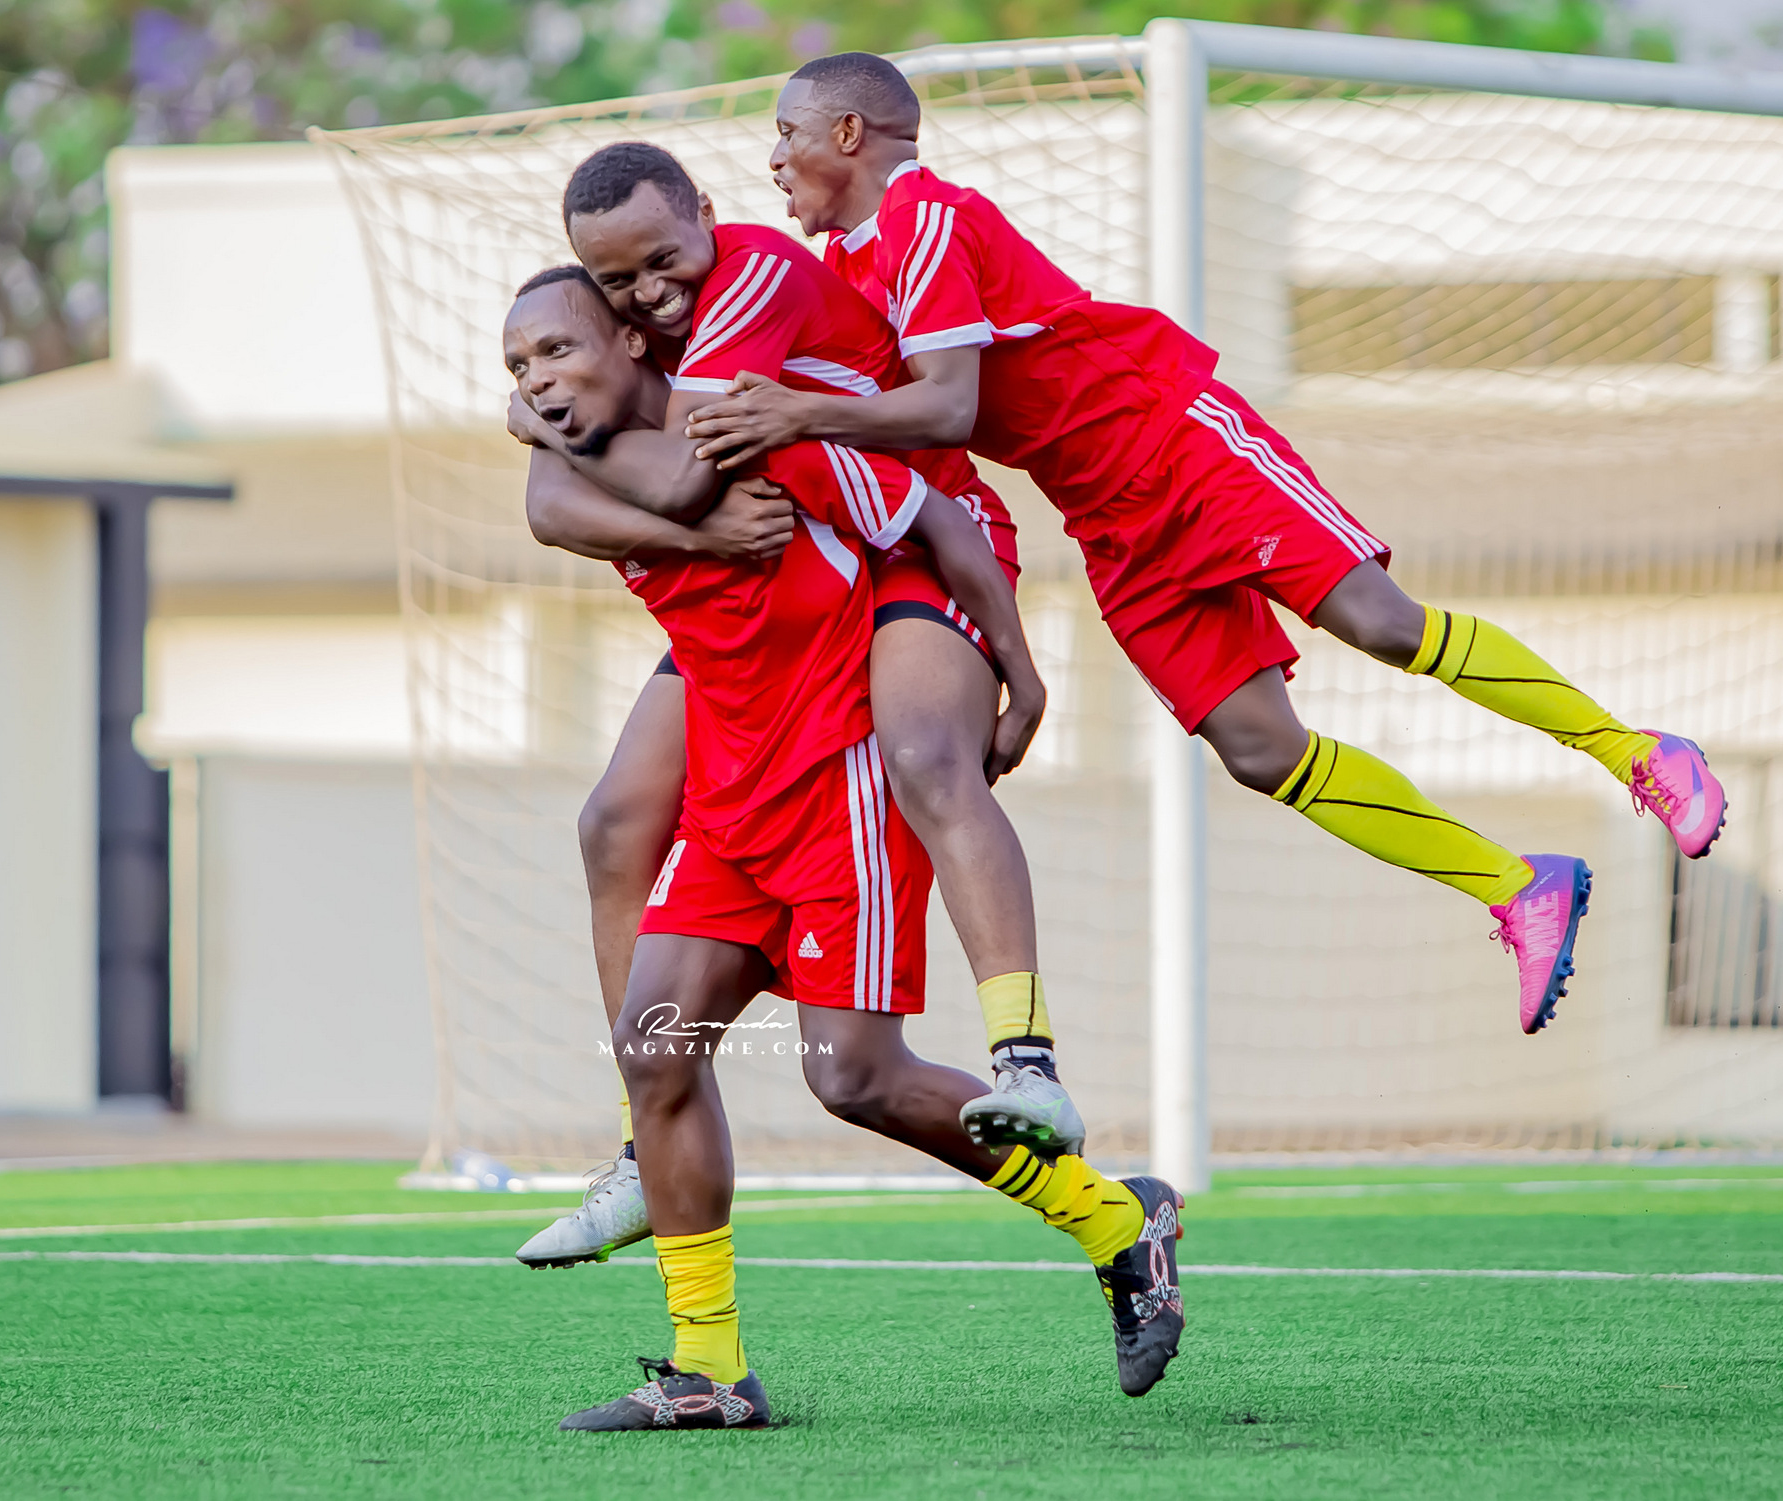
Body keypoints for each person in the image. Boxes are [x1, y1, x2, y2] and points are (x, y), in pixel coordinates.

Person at [682, 51, 1728, 1039]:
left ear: (848, 133)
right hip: (1106, 519)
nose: (772, 159)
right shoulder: (844, 267)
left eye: (786, 133)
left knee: (1378, 622)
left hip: (1174, 443)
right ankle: (1517, 887)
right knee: (1259, 749)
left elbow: (947, 407)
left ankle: (1637, 753)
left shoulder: (925, 215)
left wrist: (793, 414)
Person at [502, 267, 1187, 1429]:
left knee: (851, 1079)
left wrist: (1020, 673)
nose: (537, 381)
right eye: (518, 367)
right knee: (654, 1048)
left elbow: (936, 520)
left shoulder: (759, 435)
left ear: (635, 340)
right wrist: (677, 513)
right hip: (727, 811)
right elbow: (553, 501)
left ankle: (1117, 1220)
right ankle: (708, 1372)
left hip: (838, 797)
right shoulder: (573, 470)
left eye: (558, 351)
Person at [514, 141, 1089, 1273]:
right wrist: (561, 430)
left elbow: (701, 476)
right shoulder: (609, 375)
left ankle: (1027, 1061)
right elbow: (554, 504)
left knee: (923, 760)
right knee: (614, 823)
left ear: (704, 215)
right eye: (618, 281)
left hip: (908, 553)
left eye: (662, 261)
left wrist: (1022, 672)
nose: (648, 292)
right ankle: (644, 1153)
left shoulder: (754, 317)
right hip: (774, 648)